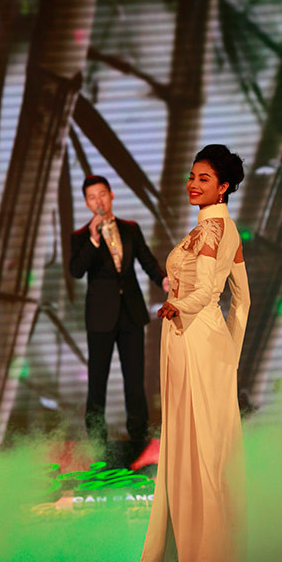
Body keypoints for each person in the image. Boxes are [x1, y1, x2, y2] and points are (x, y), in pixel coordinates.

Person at [140, 144, 250, 562]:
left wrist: (179, 306)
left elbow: (206, 290)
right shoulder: (222, 229)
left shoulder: (213, 228)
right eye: (191, 176)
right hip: (203, 342)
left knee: (197, 449)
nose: (192, 184)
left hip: (192, 336)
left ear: (223, 187)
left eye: (203, 178)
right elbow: (243, 301)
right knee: (202, 448)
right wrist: (229, 356)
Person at [69, 174, 169, 466]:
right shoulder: (80, 237)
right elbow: (76, 271)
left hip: (131, 315)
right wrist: (93, 239)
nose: (98, 201)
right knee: (97, 384)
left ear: (111, 195)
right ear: (86, 203)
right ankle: (97, 446)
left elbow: (147, 261)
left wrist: (162, 280)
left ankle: (139, 443)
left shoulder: (130, 229)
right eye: (92, 197)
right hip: (100, 318)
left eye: (102, 194)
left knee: (134, 382)